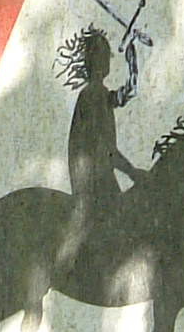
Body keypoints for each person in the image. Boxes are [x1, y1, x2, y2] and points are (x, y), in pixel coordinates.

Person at [55, 25, 142, 209]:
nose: (108, 60)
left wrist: (132, 58)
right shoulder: (93, 95)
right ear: (95, 60)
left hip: (99, 177)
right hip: (93, 183)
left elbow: (129, 91)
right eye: (104, 55)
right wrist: (132, 172)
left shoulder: (100, 93)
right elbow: (106, 149)